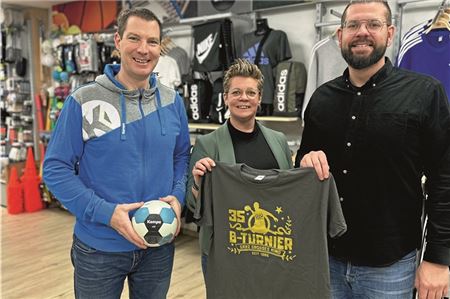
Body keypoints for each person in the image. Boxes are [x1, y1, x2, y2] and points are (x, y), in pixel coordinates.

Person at [296, 0, 450, 298]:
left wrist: (438, 258)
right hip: (326, 259)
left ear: (390, 33)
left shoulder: (425, 93)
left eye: (373, 24)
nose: (362, 32)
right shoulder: (321, 99)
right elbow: (303, 168)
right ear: (340, 35)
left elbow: (444, 179)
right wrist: (304, 162)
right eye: (353, 25)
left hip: (390, 267)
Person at [43, 8, 190, 299]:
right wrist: (107, 214)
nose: (143, 49)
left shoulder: (173, 101)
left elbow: (182, 156)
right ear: (118, 40)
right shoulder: (83, 100)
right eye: (134, 38)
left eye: (152, 41)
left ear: (160, 47)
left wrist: (178, 196)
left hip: (158, 246)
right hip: (99, 248)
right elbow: (55, 170)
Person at [186, 58, 293, 276]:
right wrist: (198, 184)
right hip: (225, 251)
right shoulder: (208, 144)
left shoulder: (279, 140)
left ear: (259, 98)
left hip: (272, 248)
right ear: (225, 97)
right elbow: (191, 204)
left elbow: (288, 192)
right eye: (236, 92)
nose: (243, 98)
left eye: (250, 93)